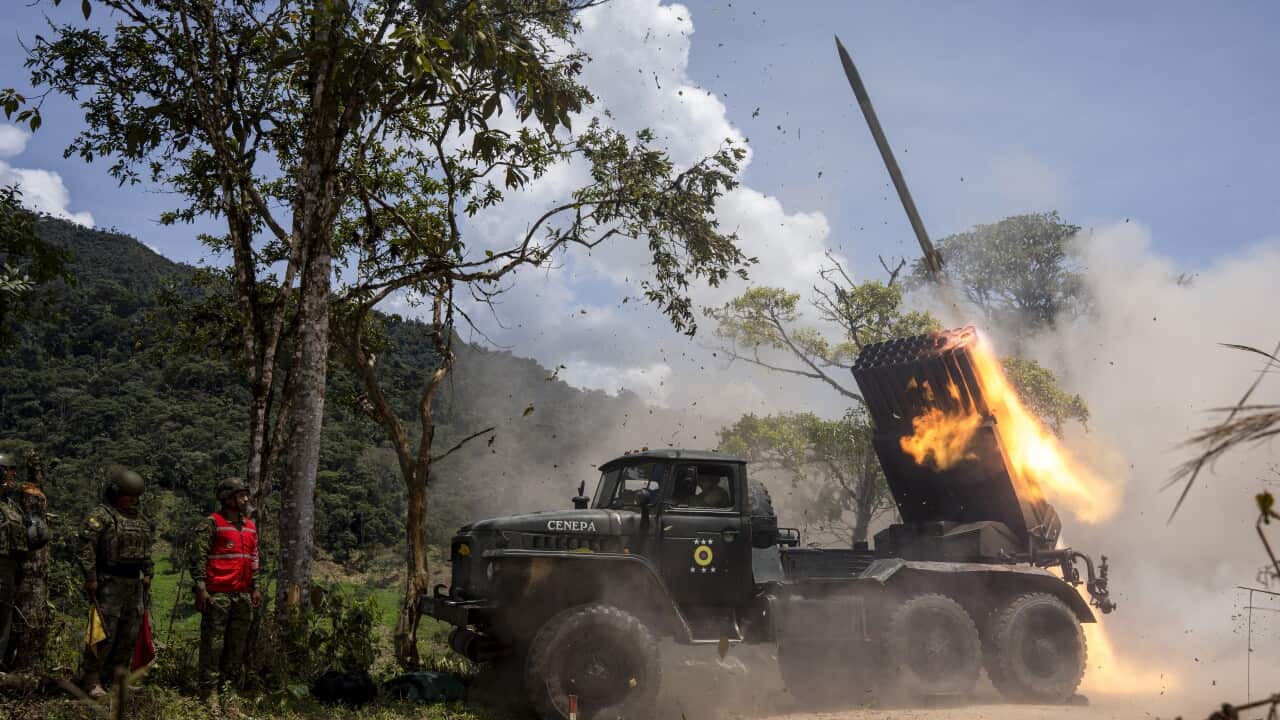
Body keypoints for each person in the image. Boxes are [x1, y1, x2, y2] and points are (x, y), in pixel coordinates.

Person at [78, 465, 154, 698]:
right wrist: (90, 577)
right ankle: (92, 680)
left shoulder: (139, 519)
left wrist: (148, 571)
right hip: (109, 582)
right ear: (115, 493)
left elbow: (146, 549)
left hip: (134, 584)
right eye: (127, 496)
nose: (131, 500)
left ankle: (117, 679)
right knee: (104, 633)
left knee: (128, 634)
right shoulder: (101, 516)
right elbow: (85, 547)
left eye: (134, 497)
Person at [189, 478, 261, 697]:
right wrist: (201, 588)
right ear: (227, 499)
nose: (245, 499)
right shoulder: (212, 523)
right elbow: (198, 558)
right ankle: (208, 693)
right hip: (218, 595)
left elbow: (254, 558)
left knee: (236, 646)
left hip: (243, 595)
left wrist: (256, 587)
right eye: (240, 496)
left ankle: (229, 693)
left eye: (245, 495)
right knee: (213, 645)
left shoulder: (250, 526)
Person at [7, 449, 51, 671]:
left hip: (15, 568)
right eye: (8, 472)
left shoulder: (14, 504)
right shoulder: (13, 502)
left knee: (9, 619)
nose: (11, 476)